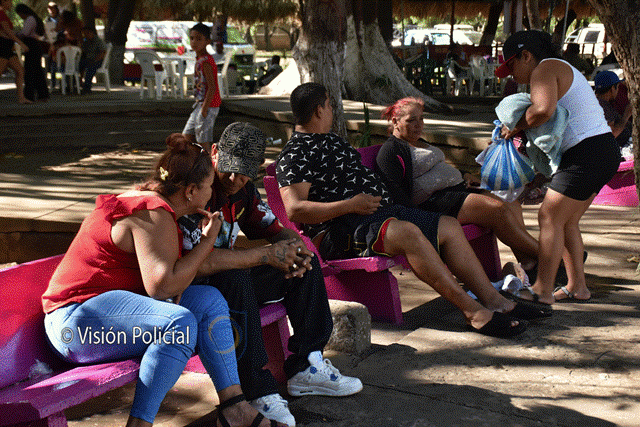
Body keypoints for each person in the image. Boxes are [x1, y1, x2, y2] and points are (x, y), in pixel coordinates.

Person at [41, 133, 283, 427]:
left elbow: (167, 284)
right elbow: (162, 288)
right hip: (74, 329)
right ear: (191, 191)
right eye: (209, 187)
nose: (212, 194)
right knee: (179, 323)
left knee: (209, 301)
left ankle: (235, 408)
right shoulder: (151, 213)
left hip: (105, 321)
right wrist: (208, 242)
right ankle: (140, 424)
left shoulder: (160, 209)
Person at [277, 83, 550, 340]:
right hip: (341, 229)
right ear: (319, 111)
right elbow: (295, 209)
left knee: (448, 225)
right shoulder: (295, 153)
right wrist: (350, 205)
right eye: (329, 106)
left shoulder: (331, 141)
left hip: (376, 215)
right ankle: (473, 312)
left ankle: (495, 301)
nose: (332, 111)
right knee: (408, 233)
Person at [178, 122, 363, 427]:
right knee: (236, 278)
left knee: (304, 264)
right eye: (230, 169)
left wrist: (295, 250)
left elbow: (277, 231)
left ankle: (307, 366)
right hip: (195, 288)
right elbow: (196, 263)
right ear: (215, 152)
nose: (235, 179)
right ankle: (256, 391)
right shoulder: (196, 187)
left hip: (229, 279)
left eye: (244, 173)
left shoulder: (244, 192)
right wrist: (265, 255)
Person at [495, 30, 620, 304]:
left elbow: (542, 110)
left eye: (511, 65)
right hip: (604, 151)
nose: (511, 75)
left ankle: (542, 289)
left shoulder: (545, 68)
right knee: (567, 221)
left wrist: (514, 126)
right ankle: (577, 287)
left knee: (549, 217)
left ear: (526, 56)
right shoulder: (561, 68)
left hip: (586, 153)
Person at [376, 97, 539, 278]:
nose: (418, 125)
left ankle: (528, 262)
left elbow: (438, 167)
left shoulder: (418, 141)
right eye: (411, 120)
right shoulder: (391, 151)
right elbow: (396, 193)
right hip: (433, 203)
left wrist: (464, 174)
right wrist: (422, 221)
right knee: (497, 210)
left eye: (421, 118)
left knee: (511, 204)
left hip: (456, 191)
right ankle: (548, 258)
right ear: (395, 121)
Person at [182, 22, 221, 152]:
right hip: (200, 104)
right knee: (187, 136)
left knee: (203, 141)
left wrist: (204, 109)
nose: (194, 42)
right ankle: (195, 161)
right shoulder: (199, 59)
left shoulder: (206, 62)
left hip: (208, 105)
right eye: (192, 38)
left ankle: (209, 162)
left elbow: (212, 87)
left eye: (199, 39)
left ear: (207, 41)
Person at [16, 3, 49, 101]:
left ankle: (29, 94)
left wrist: (16, 34)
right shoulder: (34, 18)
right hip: (34, 45)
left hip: (31, 45)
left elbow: (25, 33)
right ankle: (42, 94)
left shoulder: (30, 19)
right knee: (37, 71)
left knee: (30, 71)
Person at [0, 0, 31, 104]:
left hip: (8, 47)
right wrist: (21, 43)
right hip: (2, 47)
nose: (11, 4)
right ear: (3, 1)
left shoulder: (4, 14)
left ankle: (21, 98)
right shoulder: (1, 14)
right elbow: (7, 32)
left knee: (20, 71)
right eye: (10, 1)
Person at [593, 70, 632, 149]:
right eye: (617, 87)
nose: (618, 90)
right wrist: (626, 115)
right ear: (612, 88)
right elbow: (612, 134)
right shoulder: (602, 106)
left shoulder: (601, 103)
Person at [78, 26, 106, 94]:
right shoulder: (86, 42)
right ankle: (74, 84)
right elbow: (83, 51)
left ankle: (87, 87)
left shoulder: (98, 41)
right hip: (88, 59)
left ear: (91, 33)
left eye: (87, 33)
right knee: (77, 65)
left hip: (97, 60)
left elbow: (102, 53)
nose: (85, 35)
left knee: (90, 69)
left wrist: (95, 60)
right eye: (84, 34)